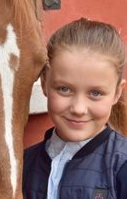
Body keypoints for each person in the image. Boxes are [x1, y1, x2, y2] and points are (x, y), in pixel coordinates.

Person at [23, 18, 127, 199]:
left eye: (95, 93)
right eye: (64, 89)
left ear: (117, 93)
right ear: (44, 83)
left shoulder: (122, 165)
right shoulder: (25, 163)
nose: (79, 109)